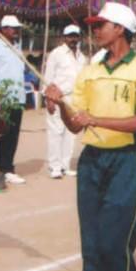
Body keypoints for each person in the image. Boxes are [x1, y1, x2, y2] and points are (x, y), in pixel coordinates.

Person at [44, 2, 136, 271]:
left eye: (101, 25)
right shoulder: (90, 72)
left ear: (120, 29)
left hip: (126, 162)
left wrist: (97, 120)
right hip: (92, 161)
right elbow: (75, 124)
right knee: (91, 246)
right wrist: (58, 104)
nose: (95, 30)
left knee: (115, 244)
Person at [0, 15, 27, 188]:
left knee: (12, 134)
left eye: (17, 28)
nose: (16, 31)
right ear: (4, 29)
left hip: (17, 97)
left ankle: (7, 167)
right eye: (13, 28)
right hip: (1, 97)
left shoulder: (18, 46)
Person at [44, 24, 86, 179]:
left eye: (75, 36)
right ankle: (54, 166)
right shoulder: (57, 54)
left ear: (79, 37)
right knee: (56, 131)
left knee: (71, 132)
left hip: (75, 98)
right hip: (58, 97)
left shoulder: (82, 57)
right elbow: (48, 78)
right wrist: (49, 99)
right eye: (70, 36)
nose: (73, 39)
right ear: (64, 37)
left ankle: (65, 165)